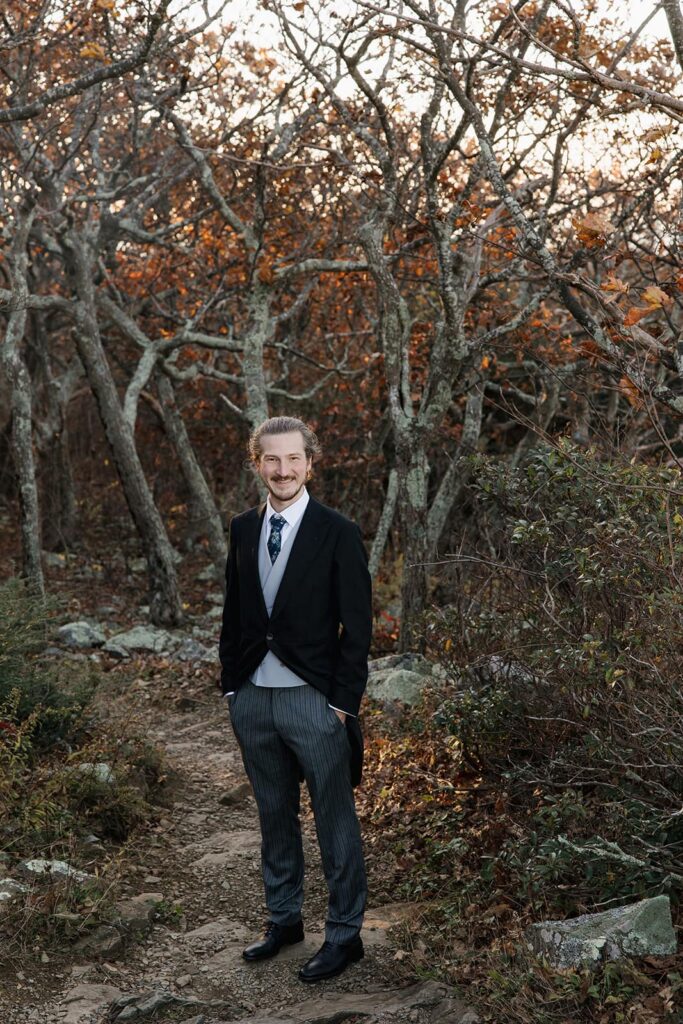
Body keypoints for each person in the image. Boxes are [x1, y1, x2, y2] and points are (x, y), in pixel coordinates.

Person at [218, 416, 372, 983]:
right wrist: (233, 688)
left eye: (293, 460)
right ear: (257, 463)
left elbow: (357, 628)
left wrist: (341, 704)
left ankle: (344, 933)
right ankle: (284, 920)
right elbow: (235, 614)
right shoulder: (241, 528)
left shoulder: (337, 531)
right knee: (273, 814)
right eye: (271, 460)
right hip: (254, 700)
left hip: (314, 701)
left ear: (311, 462)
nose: (283, 471)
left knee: (335, 819)